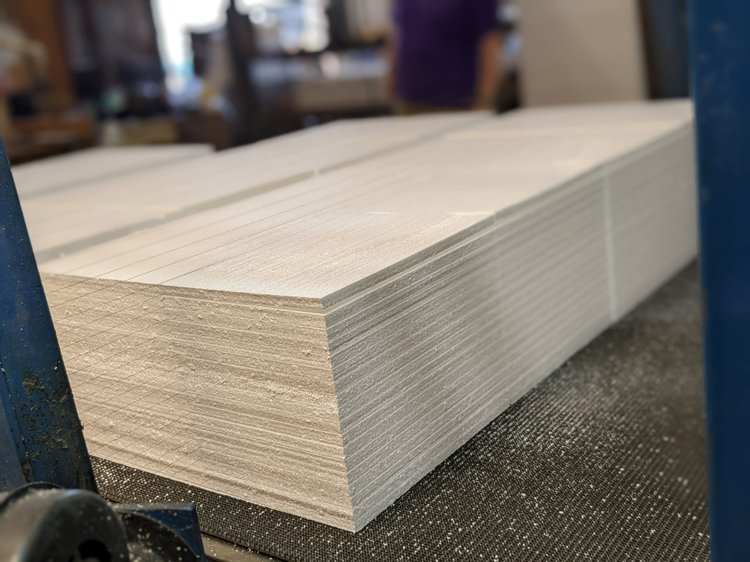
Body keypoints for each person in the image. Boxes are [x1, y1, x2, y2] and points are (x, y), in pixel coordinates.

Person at [388, 0, 502, 114]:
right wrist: (391, 74)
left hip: (457, 104)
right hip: (408, 101)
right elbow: (398, 33)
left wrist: (485, 98)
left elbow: (489, 43)